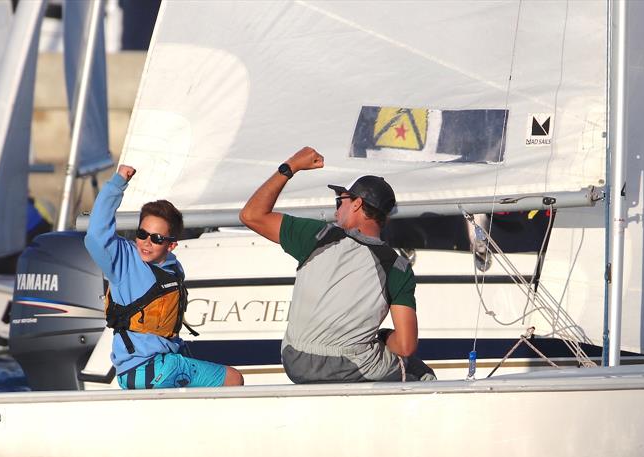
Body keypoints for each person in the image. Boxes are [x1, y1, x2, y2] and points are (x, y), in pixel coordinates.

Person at [239, 146, 436, 383]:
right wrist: (383, 339)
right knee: (420, 374)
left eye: (339, 201)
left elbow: (251, 215)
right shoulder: (397, 267)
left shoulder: (317, 236)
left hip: (295, 360)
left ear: (356, 204)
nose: (335, 211)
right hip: (351, 365)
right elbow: (405, 346)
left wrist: (291, 166)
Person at [85, 164, 244, 389]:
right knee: (233, 379)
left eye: (157, 238)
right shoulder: (123, 261)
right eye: (142, 234)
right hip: (144, 369)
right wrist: (118, 182)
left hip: (158, 365)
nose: (147, 242)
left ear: (171, 245)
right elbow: (96, 234)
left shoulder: (174, 268)